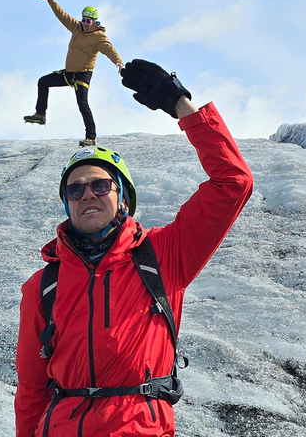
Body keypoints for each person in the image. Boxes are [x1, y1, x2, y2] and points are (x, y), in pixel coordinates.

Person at [15, 59, 254, 436]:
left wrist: (179, 103)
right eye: (74, 190)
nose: (87, 194)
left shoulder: (162, 255)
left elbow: (233, 183)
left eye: (100, 185)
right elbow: (31, 391)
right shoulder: (44, 286)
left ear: (123, 199)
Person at [24, 0, 125, 147]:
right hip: (69, 72)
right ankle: (40, 114)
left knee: (82, 103)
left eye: (88, 21)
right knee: (43, 82)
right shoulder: (76, 27)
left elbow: (109, 49)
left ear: (94, 22)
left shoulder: (98, 36)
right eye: (84, 20)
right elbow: (62, 16)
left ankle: (90, 137)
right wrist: (51, 1)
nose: (85, 23)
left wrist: (118, 62)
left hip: (83, 74)